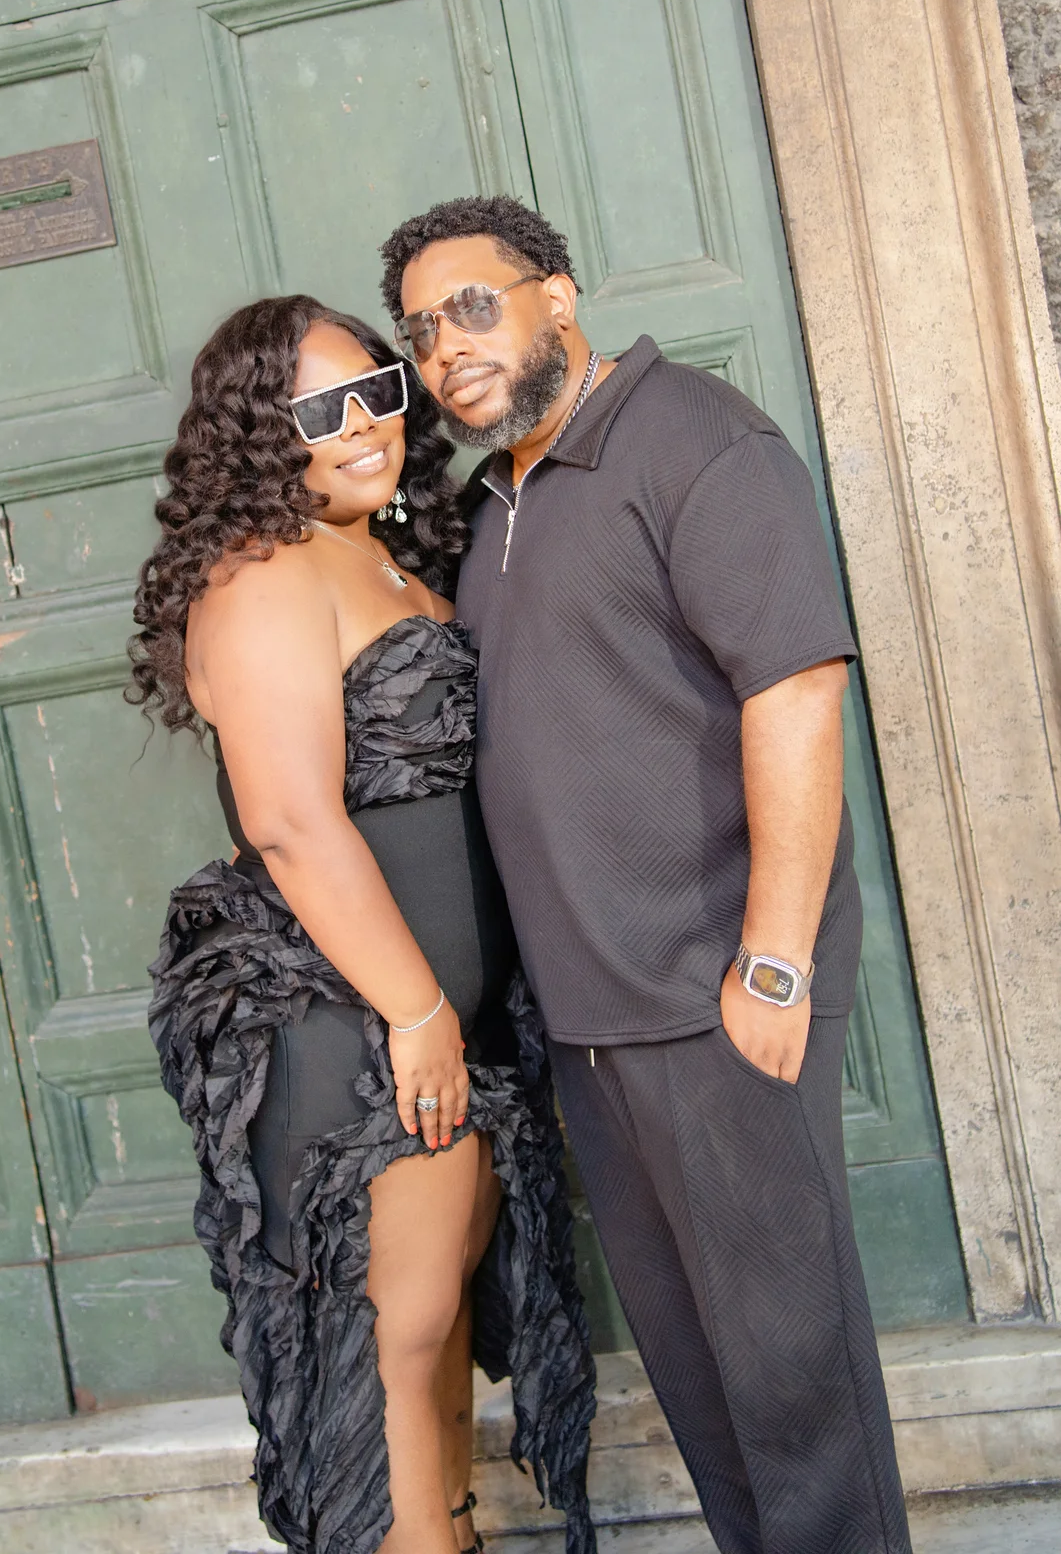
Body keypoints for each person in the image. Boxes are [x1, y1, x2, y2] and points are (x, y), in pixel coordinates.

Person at [377, 197, 913, 1554]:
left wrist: (773, 963)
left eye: (473, 307)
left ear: (555, 295)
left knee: (796, 1386)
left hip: (716, 996)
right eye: (421, 332)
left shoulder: (696, 440)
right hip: (592, 1024)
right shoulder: (496, 496)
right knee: (703, 1388)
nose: (448, 349)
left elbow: (794, 689)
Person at [129, 295, 596, 1554]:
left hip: (448, 1012)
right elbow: (291, 823)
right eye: (323, 409)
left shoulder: (386, 554)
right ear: (256, 434)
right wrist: (418, 1011)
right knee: (392, 1340)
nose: (367, 425)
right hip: (361, 1016)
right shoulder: (264, 574)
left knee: (433, 1325)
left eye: (378, 390)